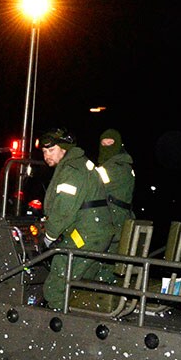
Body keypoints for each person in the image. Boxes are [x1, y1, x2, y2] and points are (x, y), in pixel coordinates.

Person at [38, 128, 116, 307]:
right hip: (94, 232)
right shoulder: (79, 164)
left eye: (51, 150)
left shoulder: (72, 169)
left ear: (64, 149)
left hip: (87, 234)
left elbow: (64, 208)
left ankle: (56, 319)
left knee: (57, 281)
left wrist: (49, 236)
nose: (46, 155)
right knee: (80, 284)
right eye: (44, 152)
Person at [93, 128, 136, 283]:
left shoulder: (115, 168)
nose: (106, 146)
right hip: (118, 221)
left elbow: (91, 186)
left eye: (110, 143)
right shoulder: (123, 165)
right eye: (103, 143)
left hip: (112, 222)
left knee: (102, 265)